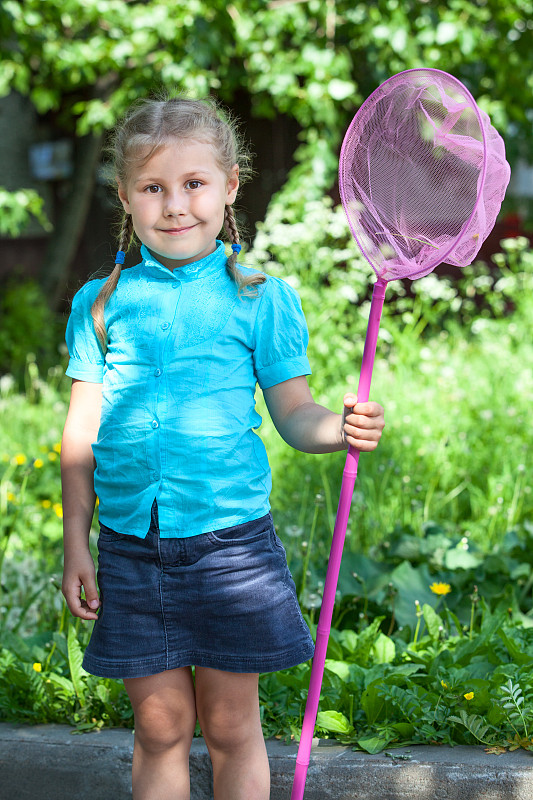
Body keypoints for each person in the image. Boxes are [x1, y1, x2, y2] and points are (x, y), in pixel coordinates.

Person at [61, 96, 385, 800]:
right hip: (130, 546)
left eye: (194, 184)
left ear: (230, 186)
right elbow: (78, 438)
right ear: (125, 196)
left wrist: (340, 427)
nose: (175, 205)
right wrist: (76, 544)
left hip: (228, 547)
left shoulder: (260, 298)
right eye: (153, 188)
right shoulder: (101, 302)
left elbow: (295, 413)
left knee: (233, 726)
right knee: (159, 726)